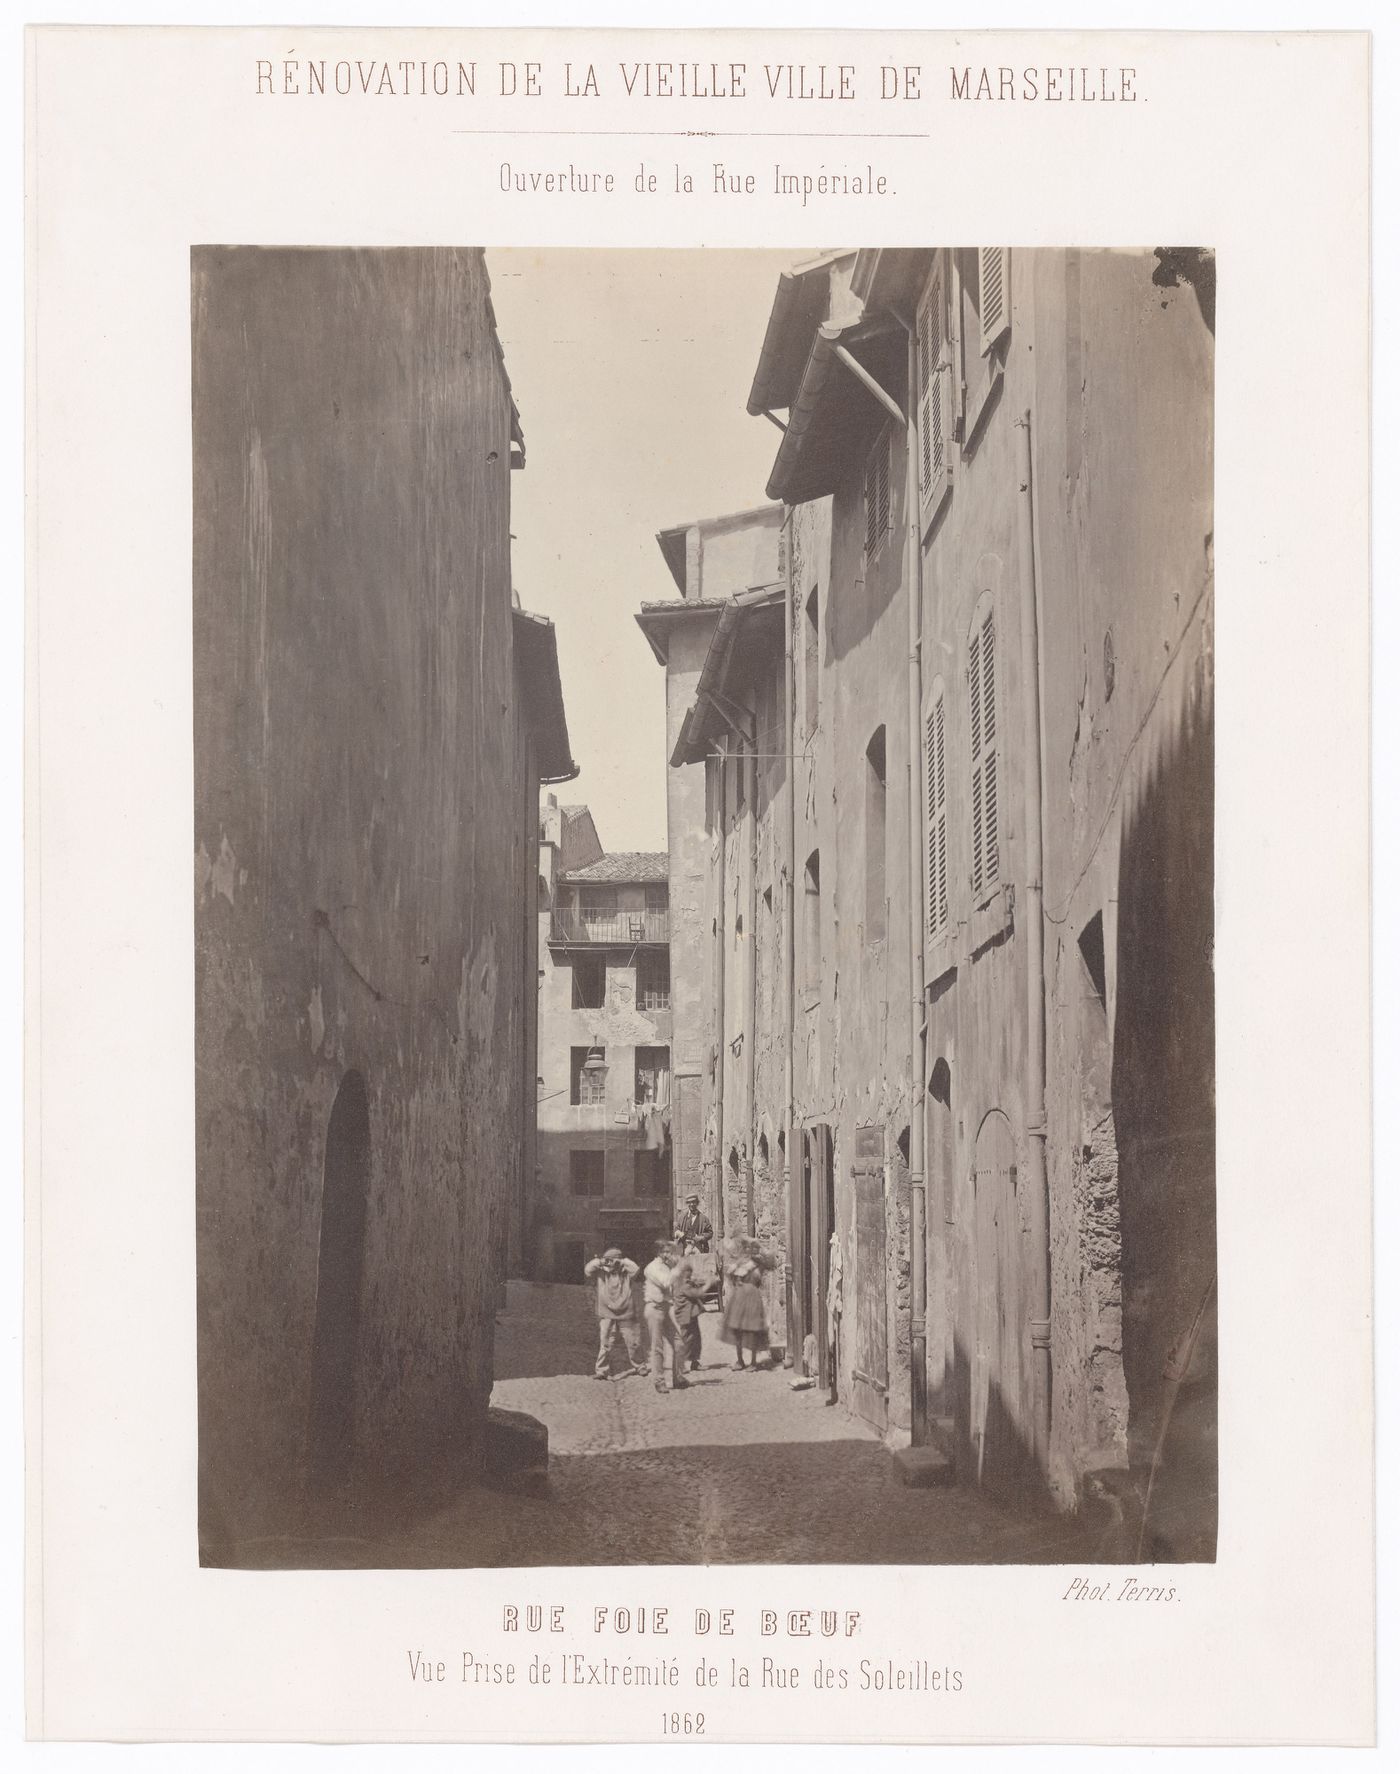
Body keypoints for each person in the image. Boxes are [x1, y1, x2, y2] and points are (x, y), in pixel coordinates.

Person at [583, 1248, 646, 1380]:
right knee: (605, 1343)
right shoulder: (601, 1271)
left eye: (613, 1260)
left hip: (627, 1312)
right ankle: (601, 1371)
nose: (610, 1264)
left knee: (633, 1342)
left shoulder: (626, 1272)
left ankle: (640, 1366)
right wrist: (601, 1261)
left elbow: (636, 1269)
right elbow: (588, 1270)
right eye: (608, 1261)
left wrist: (621, 1262)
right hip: (606, 1312)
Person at [720, 1236, 773, 1371]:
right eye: (745, 1248)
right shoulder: (739, 1264)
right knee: (737, 1329)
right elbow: (729, 1274)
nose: (748, 1251)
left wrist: (760, 1247)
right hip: (738, 1297)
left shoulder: (758, 1264)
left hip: (752, 1298)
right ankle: (740, 1360)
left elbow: (771, 1261)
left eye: (751, 1248)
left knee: (752, 1329)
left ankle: (754, 1362)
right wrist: (734, 1279)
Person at [642, 1241, 688, 1394]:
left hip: (666, 1307)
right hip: (654, 1308)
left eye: (670, 1252)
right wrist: (677, 1269)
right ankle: (659, 1381)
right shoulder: (652, 1268)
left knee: (679, 1342)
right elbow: (665, 1282)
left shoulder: (668, 1267)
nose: (669, 1255)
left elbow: (675, 1286)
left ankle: (678, 1377)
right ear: (659, 1253)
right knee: (657, 1347)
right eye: (666, 1252)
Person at [671, 1252, 707, 1374]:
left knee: (696, 1339)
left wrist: (696, 1282)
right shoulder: (682, 1285)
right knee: (685, 1340)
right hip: (685, 1317)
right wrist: (709, 1283)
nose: (690, 1276)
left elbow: (693, 1285)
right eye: (688, 1273)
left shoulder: (684, 1282)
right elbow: (696, 1293)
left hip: (691, 1316)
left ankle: (694, 1362)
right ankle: (681, 1365)